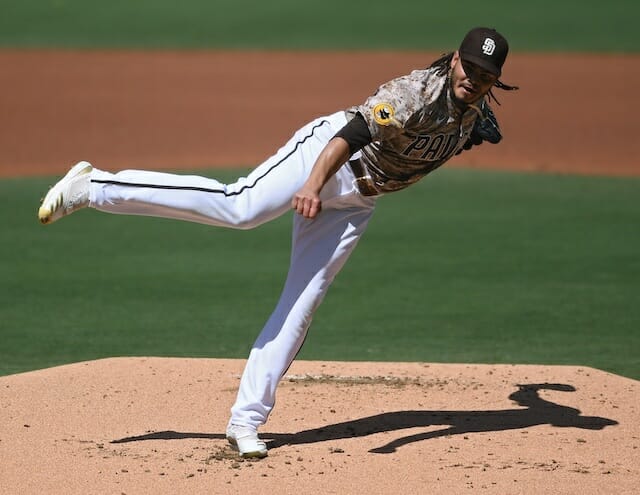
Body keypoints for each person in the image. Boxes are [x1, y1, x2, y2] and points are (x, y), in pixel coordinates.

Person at [37, 27, 518, 458]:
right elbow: (350, 135)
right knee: (241, 207)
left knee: (303, 302)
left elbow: (443, 134)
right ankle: (95, 186)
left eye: (486, 75)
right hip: (324, 159)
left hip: (356, 201)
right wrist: (311, 185)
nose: (474, 79)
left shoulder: (472, 109)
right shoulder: (414, 93)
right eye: (470, 67)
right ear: (455, 59)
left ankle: (244, 423)